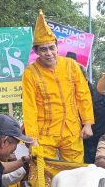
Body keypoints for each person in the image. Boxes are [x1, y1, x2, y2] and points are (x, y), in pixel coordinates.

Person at [22, 10, 94, 163]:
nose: (49, 53)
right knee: (41, 169)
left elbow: (83, 95)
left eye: (51, 48)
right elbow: (29, 107)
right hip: (44, 132)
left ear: (57, 47)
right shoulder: (30, 73)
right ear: (36, 51)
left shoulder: (71, 65)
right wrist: (32, 138)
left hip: (71, 129)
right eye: (43, 49)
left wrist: (87, 123)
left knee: (76, 170)